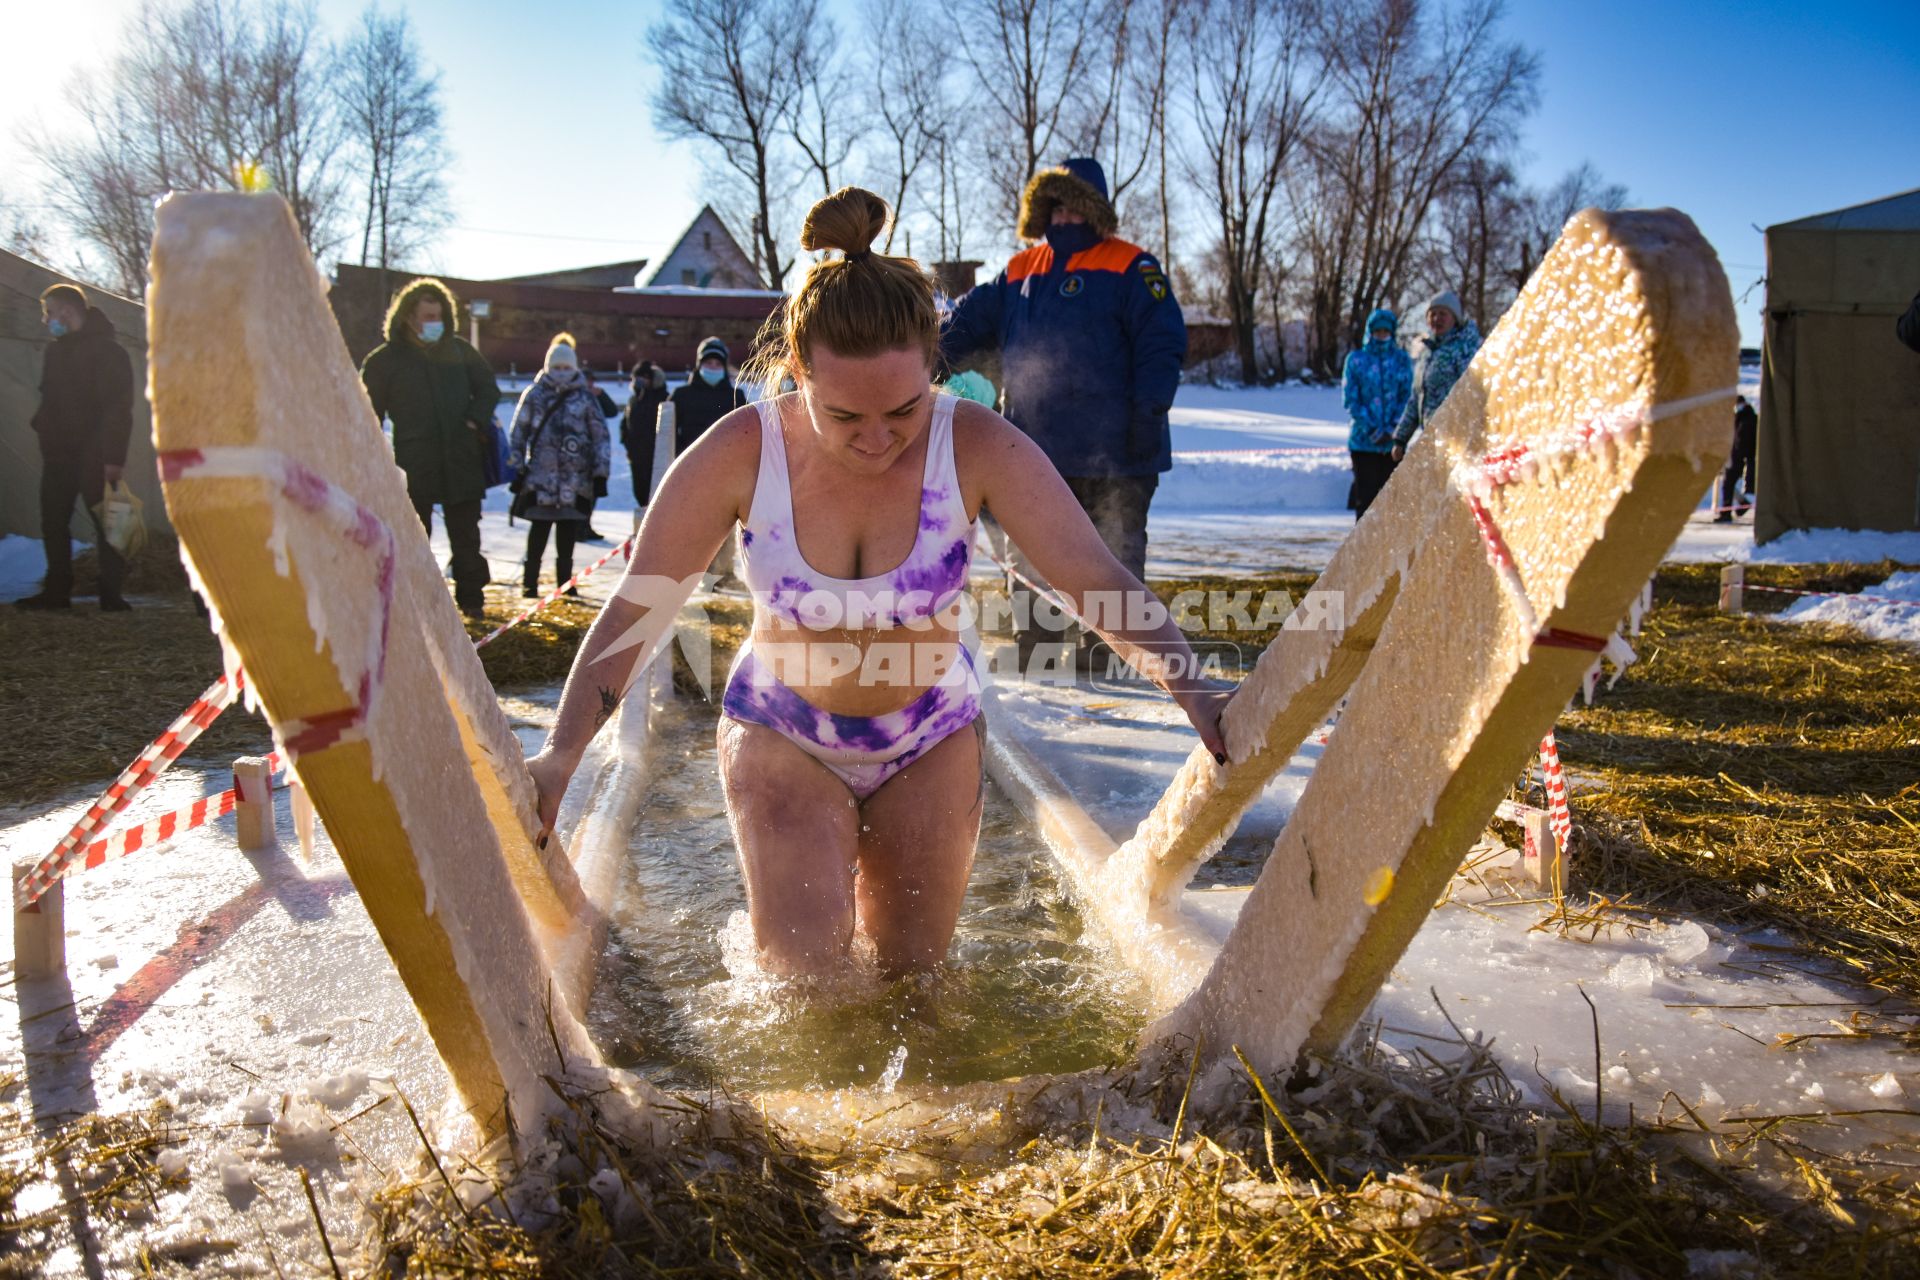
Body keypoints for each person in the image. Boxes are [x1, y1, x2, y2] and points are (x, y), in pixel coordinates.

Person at [524, 187, 1228, 978]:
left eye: (900, 411)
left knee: (914, 986)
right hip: (784, 731)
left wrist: (1194, 688)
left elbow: (1092, 578)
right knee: (805, 985)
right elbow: (639, 606)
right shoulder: (742, 451)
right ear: (796, 373)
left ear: (932, 366)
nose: (877, 440)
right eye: (844, 417)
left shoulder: (975, 444)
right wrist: (560, 752)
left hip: (929, 732)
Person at [939, 157, 1187, 672]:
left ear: (1096, 210)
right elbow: (958, 328)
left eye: (1077, 205)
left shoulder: (1132, 266)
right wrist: (912, 353)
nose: (1066, 215)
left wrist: (1149, 414)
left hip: (1117, 452)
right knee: (1031, 554)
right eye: (1057, 204)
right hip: (1035, 450)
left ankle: (1112, 655)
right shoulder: (1020, 270)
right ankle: (1040, 653)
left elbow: (1161, 346)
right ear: (1044, 208)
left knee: (1113, 556)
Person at [360, 278, 501, 618]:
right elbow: (366, 415)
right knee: (414, 539)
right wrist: (371, 457)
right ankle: (417, 608)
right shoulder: (385, 361)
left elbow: (488, 390)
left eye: (438, 315)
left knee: (466, 538)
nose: (434, 322)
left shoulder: (460, 352)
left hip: (461, 462)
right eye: (427, 316)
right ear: (408, 317)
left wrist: (473, 421)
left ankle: (472, 603)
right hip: (414, 464)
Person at [19, 284, 136, 612]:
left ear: (67, 312)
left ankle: (111, 594)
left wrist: (113, 458)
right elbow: (51, 400)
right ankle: (57, 591)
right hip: (59, 454)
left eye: (49, 313)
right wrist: (42, 425)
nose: (46, 321)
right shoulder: (56, 351)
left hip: (95, 454)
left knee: (109, 522)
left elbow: (118, 409)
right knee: (53, 519)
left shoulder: (109, 353)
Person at [509, 334, 610, 597]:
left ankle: (565, 584)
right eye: (556, 367)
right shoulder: (534, 395)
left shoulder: (585, 398)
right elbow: (518, 432)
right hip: (541, 479)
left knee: (567, 533)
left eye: (566, 367)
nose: (561, 373)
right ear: (547, 367)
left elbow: (600, 436)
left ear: (575, 368)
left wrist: (600, 474)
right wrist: (516, 468)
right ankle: (529, 584)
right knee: (538, 532)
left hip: (575, 481)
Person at [1390, 291, 1482, 462]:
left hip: (1459, 443)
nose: (1436, 318)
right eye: (1433, 314)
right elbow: (1416, 398)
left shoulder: (1466, 349)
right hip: (1433, 440)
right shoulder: (1427, 353)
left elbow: (1475, 395)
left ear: (1455, 318)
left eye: (1443, 314)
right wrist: (1401, 439)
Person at [1342, 308, 1412, 518]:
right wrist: (1372, 429)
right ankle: (1362, 547)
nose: (1381, 335)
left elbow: (1407, 397)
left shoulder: (1401, 360)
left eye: (1385, 331)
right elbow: (1351, 399)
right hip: (1363, 443)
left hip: (1393, 445)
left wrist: (1393, 429)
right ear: (1369, 332)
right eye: (1377, 331)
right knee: (1366, 499)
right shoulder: (1356, 360)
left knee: (1392, 500)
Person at [669, 336, 748, 456]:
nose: (713, 367)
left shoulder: (736, 396)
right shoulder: (682, 395)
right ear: (699, 365)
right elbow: (668, 432)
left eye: (718, 364)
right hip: (688, 463)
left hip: (727, 463)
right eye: (708, 363)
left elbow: (745, 432)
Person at [624, 360, 670, 507]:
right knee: (640, 492)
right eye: (637, 377)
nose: (640, 381)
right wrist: (627, 443)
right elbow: (625, 425)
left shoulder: (664, 398)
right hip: (637, 456)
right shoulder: (634, 400)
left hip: (657, 455)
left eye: (644, 377)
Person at [1715, 394, 1758, 522]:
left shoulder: (1746, 419)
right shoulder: (1742, 417)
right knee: (1728, 484)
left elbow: (1740, 441)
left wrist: (1735, 454)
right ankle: (1742, 503)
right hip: (1737, 455)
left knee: (1727, 484)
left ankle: (1726, 513)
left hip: (1738, 456)